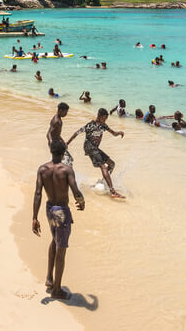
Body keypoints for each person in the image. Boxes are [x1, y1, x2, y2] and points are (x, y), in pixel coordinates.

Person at [32, 138, 85, 300]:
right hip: (61, 212)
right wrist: (81, 202)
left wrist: (34, 217)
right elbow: (76, 191)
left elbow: (38, 194)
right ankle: (57, 290)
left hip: (50, 209)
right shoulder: (66, 170)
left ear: (51, 151)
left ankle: (49, 278)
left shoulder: (42, 169)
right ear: (63, 154)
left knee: (55, 241)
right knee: (61, 250)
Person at [80, 108, 125, 198]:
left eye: (105, 119)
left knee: (112, 164)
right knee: (103, 167)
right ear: (99, 116)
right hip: (89, 147)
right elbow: (76, 133)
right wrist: (67, 143)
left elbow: (113, 133)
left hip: (95, 148)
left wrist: (119, 132)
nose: (104, 121)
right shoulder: (90, 125)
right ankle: (112, 191)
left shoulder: (103, 125)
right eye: (103, 119)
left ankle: (104, 182)